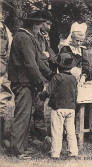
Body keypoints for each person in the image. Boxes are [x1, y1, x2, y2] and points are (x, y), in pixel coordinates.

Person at [6, 12, 46, 159]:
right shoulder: (23, 38)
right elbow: (31, 64)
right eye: (40, 25)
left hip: (26, 82)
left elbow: (39, 61)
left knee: (26, 115)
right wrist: (40, 83)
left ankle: (20, 147)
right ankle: (16, 150)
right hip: (23, 82)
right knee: (22, 116)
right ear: (34, 25)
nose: (41, 29)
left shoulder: (27, 37)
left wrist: (51, 75)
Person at [39, 53, 78, 159]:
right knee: (71, 130)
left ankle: (55, 153)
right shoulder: (73, 79)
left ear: (57, 66)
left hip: (58, 108)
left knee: (57, 130)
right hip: (71, 108)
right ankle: (73, 151)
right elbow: (75, 94)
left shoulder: (57, 77)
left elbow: (48, 92)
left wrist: (41, 96)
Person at [32, 10, 57, 141]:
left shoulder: (44, 35)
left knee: (39, 102)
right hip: (37, 71)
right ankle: (38, 133)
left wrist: (56, 59)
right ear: (40, 22)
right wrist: (45, 56)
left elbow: (49, 51)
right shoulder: (34, 35)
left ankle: (37, 131)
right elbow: (37, 55)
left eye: (50, 25)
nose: (49, 27)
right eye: (47, 24)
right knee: (37, 103)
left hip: (44, 70)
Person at [0, 14, 12, 144]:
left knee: (1, 103)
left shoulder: (4, 28)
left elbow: (9, 50)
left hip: (1, 71)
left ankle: (1, 137)